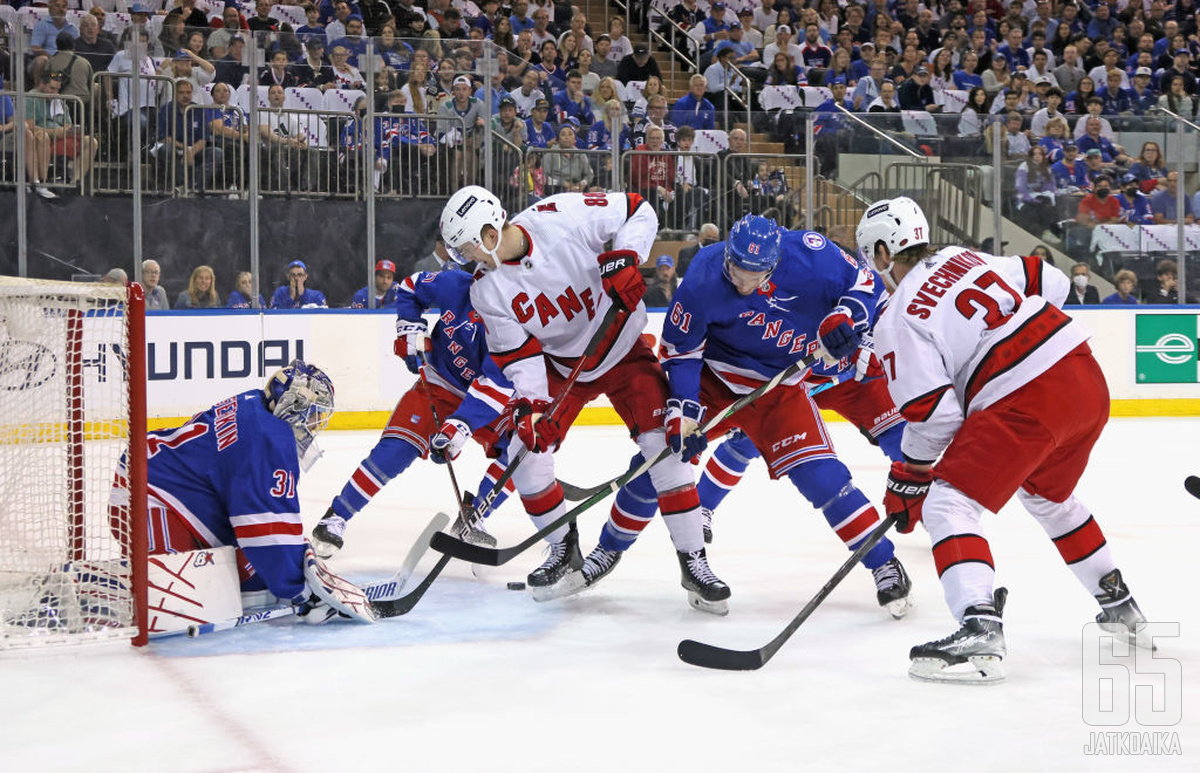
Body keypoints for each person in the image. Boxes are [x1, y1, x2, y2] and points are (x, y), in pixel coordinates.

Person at [859, 196, 1153, 684]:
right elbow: (1049, 280)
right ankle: (1119, 604)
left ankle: (979, 625)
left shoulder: (897, 319)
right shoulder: (963, 257)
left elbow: (934, 417)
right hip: (1083, 376)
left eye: (874, 258)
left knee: (948, 506)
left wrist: (909, 478)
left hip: (1025, 400)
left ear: (886, 252)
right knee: (1049, 496)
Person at [439, 186, 729, 612]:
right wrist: (534, 406)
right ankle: (562, 546)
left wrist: (627, 256)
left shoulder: (560, 215)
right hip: (563, 368)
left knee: (665, 450)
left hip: (626, 349)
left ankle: (694, 561)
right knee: (524, 450)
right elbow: (519, 356)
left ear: (488, 233)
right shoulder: (487, 291)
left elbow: (637, 209)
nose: (469, 262)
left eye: (468, 250)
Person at [651, 214, 913, 616]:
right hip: (755, 374)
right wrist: (682, 409)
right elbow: (681, 350)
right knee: (671, 455)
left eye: (754, 273)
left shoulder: (815, 258)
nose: (743, 282)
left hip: (835, 375)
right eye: (737, 269)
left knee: (827, 474)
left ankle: (887, 558)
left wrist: (852, 334)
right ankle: (635, 540)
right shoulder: (710, 275)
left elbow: (866, 294)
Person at [112, 360, 365, 623]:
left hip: (172, 483)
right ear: (294, 405)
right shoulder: (270, 439)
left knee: (255, 582)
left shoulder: (255, 404)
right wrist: (302, 593)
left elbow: (257, 512)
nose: (315, 424)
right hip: (147, 492)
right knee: (170, 603)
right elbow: (264, 531)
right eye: (314, 414)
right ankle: (95, 583)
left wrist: (293, 565)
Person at [312, 261, 519, 555]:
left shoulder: (513, 323)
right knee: (396, 448)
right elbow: (409, 288)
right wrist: (409, 330)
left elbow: (496, 385)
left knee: (524, 447)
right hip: (439, 383)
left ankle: (475, 515)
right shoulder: (455, 284)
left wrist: (460, 426)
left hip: (488, 400)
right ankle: (336, 517)